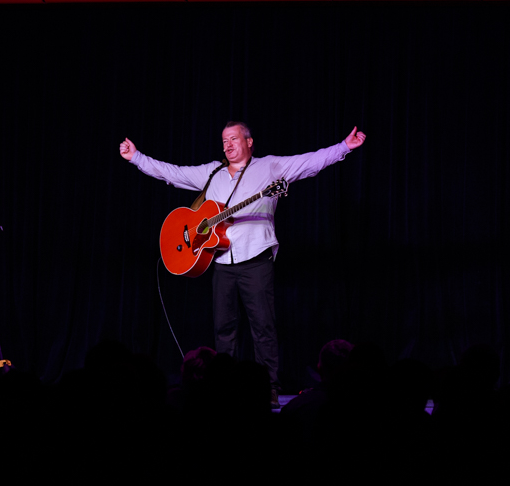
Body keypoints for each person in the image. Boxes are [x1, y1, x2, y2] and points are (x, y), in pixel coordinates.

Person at [120, 122, 366, 406]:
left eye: (233, 139)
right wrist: (136, 157)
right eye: (224, 140)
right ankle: (225, 387)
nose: (227, 145)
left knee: (263, 327)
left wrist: (344, 147)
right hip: (221, 260)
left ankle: (269, 387)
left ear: (249, 142)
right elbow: (173, 173)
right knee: (224, 329)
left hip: (256, 259)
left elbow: (309, 162)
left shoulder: (269, 167)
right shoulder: (213, 173)